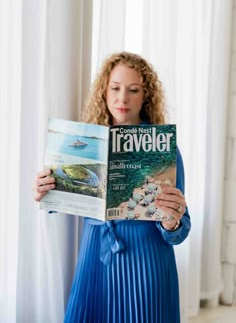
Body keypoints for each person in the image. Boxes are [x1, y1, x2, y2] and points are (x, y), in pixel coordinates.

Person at [33, 51, 191, 323]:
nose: (123, 98)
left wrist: (171, 221)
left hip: (147, 260)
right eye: (115, 88)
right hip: (95, 257)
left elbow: (180, 230)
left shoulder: (165, 150)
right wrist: (45, 192)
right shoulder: (81, 143)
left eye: (134, 90)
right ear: (104, 91)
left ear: (146, 96)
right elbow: (62, 198)